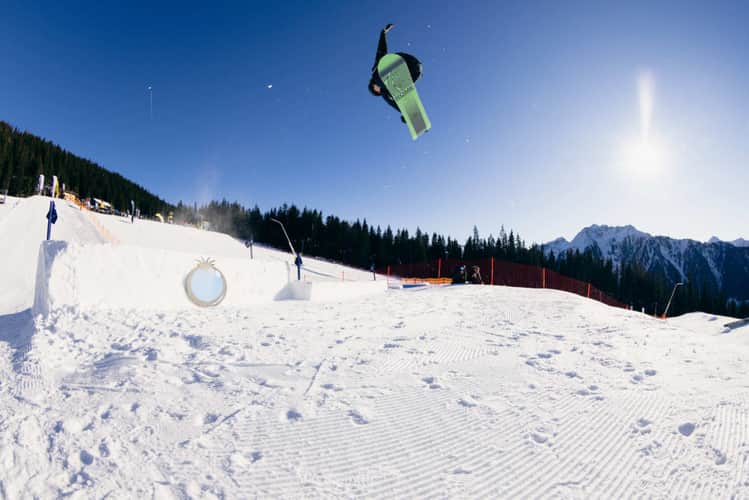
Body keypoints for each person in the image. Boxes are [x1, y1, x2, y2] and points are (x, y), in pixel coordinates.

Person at [368, 24, 423, 122]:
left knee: (387, 94)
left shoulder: (376, 74)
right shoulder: (388, 85)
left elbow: (381, 49)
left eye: (376, 91)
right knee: (398, 91)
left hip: (404, 63)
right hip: (416, 68)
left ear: (373, 86)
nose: (379, 91)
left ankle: (407, 112)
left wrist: (383, 33)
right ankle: (411, 112)